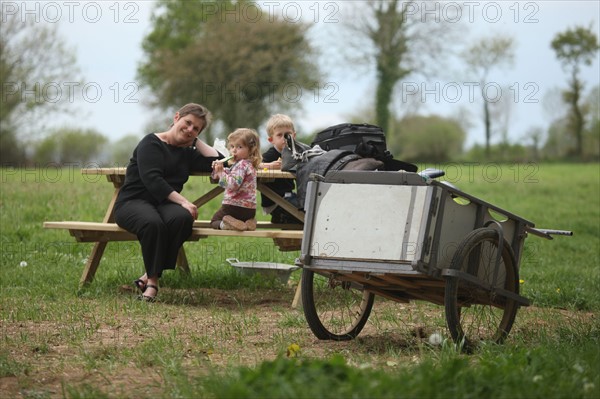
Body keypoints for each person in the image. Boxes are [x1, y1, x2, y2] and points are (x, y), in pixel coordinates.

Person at [114, 103, 222, 302]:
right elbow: (153, 181)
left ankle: (146, 276)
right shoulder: (151, 143)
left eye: (195, 128)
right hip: (132, 202)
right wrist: (184, 201)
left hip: (163, 206)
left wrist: (195, 141)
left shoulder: (187, 153)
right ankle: (153, 283)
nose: (189, 129)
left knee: (182, 218)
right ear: (176, 117)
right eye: (187, 123)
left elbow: (222, 161)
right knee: (152, 223)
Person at [210, 128, 262, 231]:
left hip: (233, 207)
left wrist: (220, 173)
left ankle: (227, 224)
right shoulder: (248, 165)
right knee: (243, 218)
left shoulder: (241, 165)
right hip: (250, 210)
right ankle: (249, 221)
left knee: (214, 221)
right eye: (232, 146)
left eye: (239, 147)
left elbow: (233, 184)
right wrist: (218, 170)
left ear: (251, 149)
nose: (234, 150)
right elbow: (231, 174)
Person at [259, 114, 302, 224]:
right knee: (303, 211)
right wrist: (268, 166)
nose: (285, 138)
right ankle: (281, 218)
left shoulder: (295, 153)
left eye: (288, 134)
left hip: (289, 196)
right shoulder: (269, 156)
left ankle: (298, 238)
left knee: (310, 206)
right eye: (279, 135)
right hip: (274, 201)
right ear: (271, 140)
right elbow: (254, 165)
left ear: (294, 135)